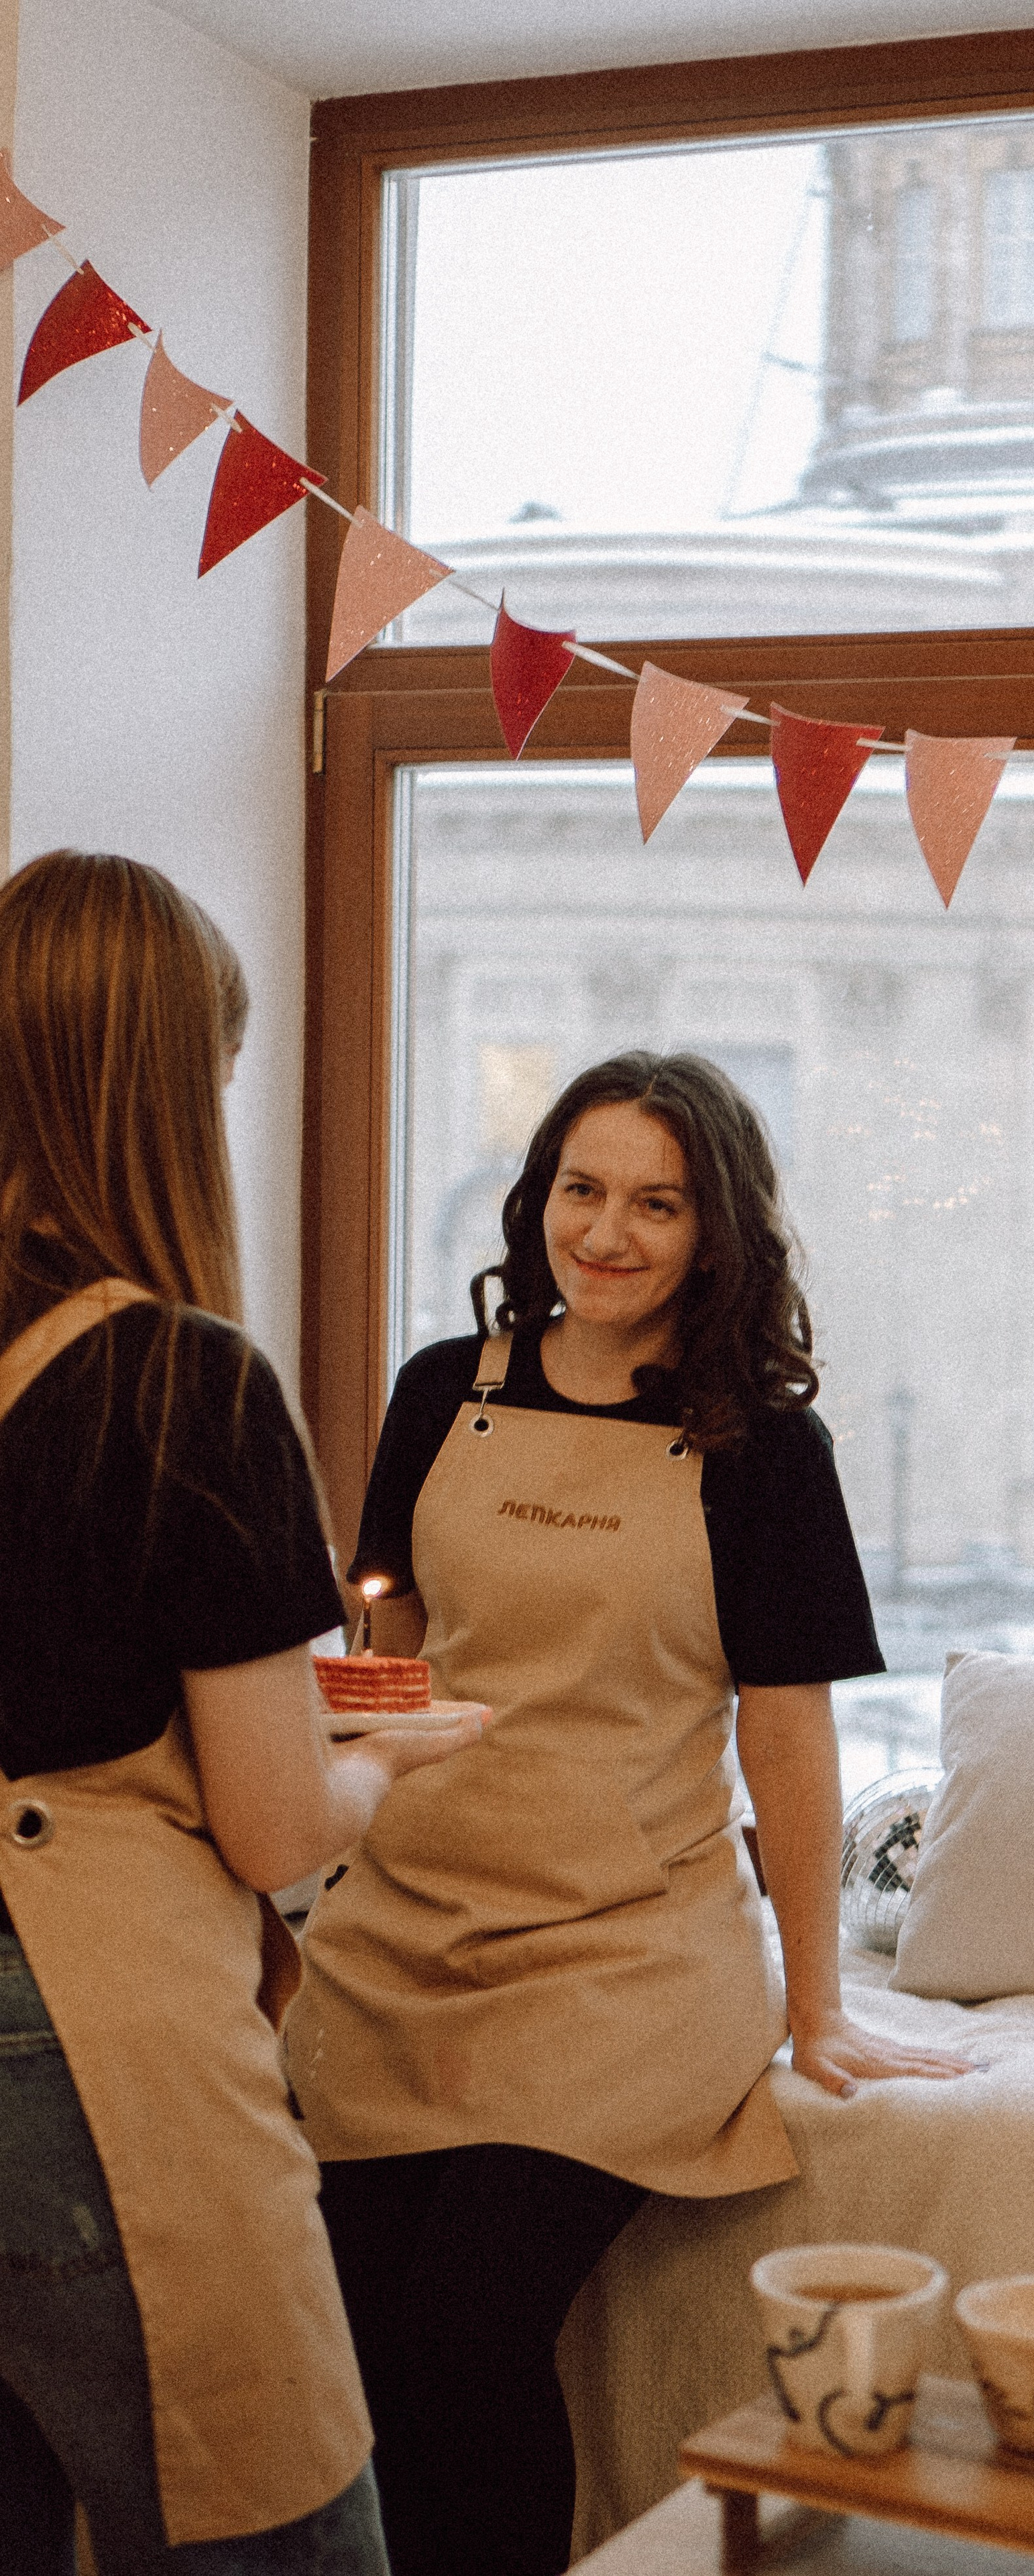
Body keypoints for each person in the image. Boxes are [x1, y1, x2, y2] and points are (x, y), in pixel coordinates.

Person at [286, 1049, 971, 2576]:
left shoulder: (760, 1450)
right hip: (402, 1940)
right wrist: (309, 1854)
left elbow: (787, 1745)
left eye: (655, 1203)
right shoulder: (432, 1394)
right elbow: (387, 1660)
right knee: (347, 2335)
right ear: (536, 1203)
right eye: (581, 1192)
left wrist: (816, 2003)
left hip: (623, 1957)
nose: (606, 1233)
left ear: (714, 1234)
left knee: (465, 2334)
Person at [0, 849, 481, 2573]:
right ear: (159, 1091)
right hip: (77, 2042)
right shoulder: (183, 1381)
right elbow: (273, 1825)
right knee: (274, 2530)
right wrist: (380, 1757)